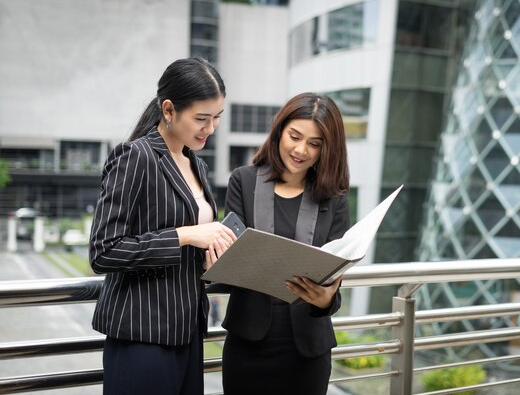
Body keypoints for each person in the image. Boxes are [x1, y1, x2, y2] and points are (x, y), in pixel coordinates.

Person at [89, 57, 238, 395]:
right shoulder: (135, 156)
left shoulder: (196, 164)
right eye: (201, 118)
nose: (210, 128)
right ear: (169, 110)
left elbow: (191, 252)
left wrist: (213, 258)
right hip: (142, 336)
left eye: (216, 118)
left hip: (188, 332)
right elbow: (104, 251)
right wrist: (185, 235)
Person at [218, 92, 351, 395]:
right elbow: (231, 253)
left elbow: (335, 280)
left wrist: (326, 299)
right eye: (295, 136)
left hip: (308, 350)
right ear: (280, 131)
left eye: (315, 143)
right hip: (248, 343)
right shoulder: (244, 181)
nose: (301, 150)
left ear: (326, 149)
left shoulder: (335, 199)